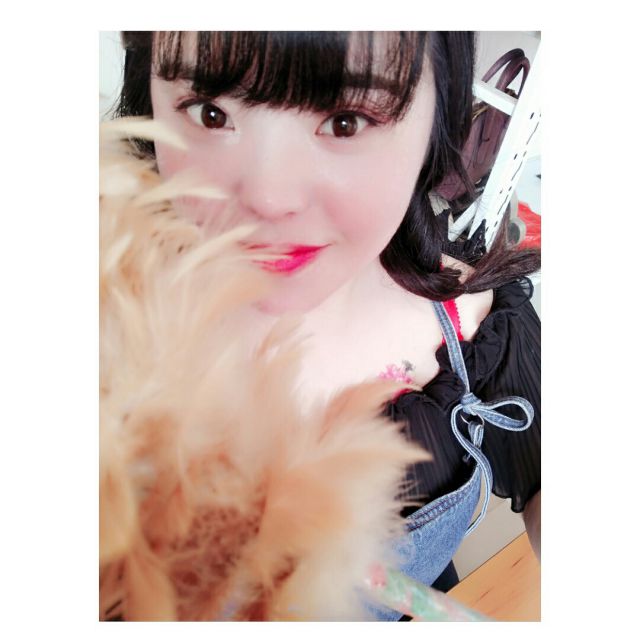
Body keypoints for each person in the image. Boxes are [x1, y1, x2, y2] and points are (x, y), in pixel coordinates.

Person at [114, 30, 541, 620]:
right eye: (211, 112)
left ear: (437, 114)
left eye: (345, 122)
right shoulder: (105, 325)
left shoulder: (474, 323)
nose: (269, 198)